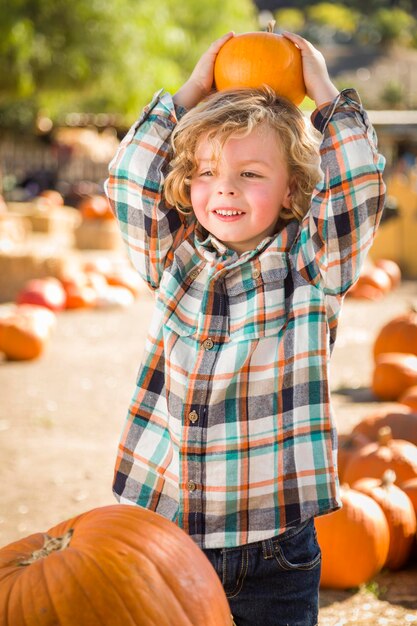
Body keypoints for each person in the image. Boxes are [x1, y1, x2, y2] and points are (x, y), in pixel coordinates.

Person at [105, 31, 385, 626]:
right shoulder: (172, 256)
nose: (224, 187)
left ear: (293, 191)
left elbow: (357, 191)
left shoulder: (312, 267)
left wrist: (327, 96)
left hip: (273, 554)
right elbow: (130, 183)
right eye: (205, 172)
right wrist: (187, 95)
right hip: (167, 539)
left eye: (251, 173)